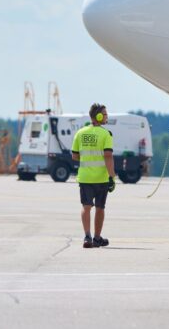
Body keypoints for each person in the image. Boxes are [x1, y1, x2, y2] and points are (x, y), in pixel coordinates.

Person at [71, 103, 116, 248]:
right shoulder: (105, 134)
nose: (106, 116)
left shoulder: (80, 133)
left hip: (84, 177)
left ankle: (87, 236)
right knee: (100, 207)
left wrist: (88, 159)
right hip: (101, 178)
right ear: (98, 116)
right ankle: (97, 237)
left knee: (86, 206)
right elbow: (108, 156)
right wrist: (112, 177)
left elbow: (75, 156)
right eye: (104, 114)